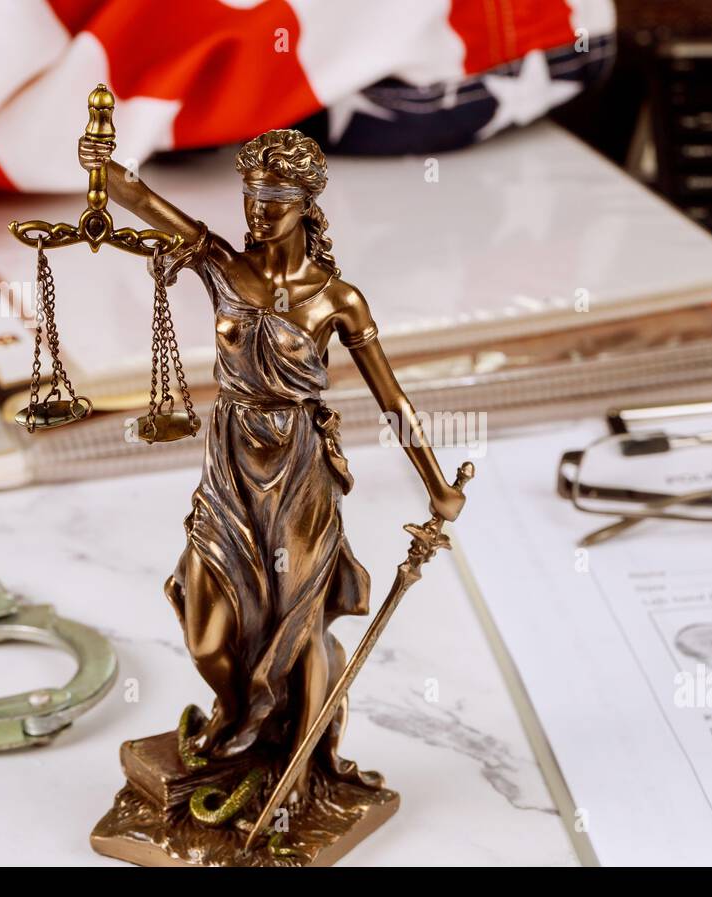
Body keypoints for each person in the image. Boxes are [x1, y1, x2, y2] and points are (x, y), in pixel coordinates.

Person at [79, 129, 464, 805]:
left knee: (298, 616)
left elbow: (392, 396)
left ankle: (300, 755)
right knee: (206, 624)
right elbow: (146, 202)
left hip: (299, 470)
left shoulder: (338, 298)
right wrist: (106, 172)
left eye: (274, 203)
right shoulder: (223, 266)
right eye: (252, 200)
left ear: (306, 205)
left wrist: (435, 483)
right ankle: (238, 716)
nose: (257, 215)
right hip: (229, 459)